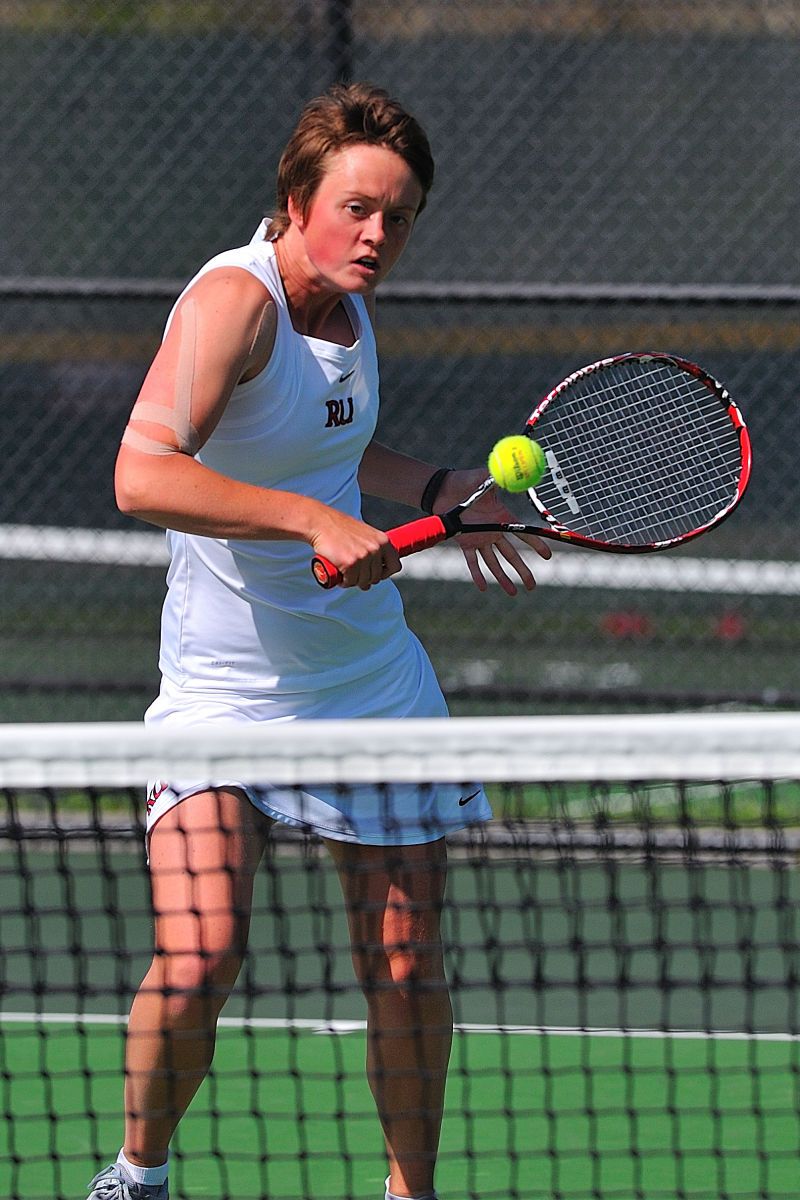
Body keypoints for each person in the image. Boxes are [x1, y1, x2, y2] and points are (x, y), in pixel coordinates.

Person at [89, 82, 550, 1200]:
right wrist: (309, 522)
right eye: (356, 209)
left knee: (401, 966)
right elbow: (141, 473)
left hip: (371, 692)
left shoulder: (349, 309)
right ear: (295, 200)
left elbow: (337, 454)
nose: (378, 235)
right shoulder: (229, 306)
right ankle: (136, 1176)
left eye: (397, 216)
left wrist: (445, 493)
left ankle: (408, 1194)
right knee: (198, 954)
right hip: (220, 701)